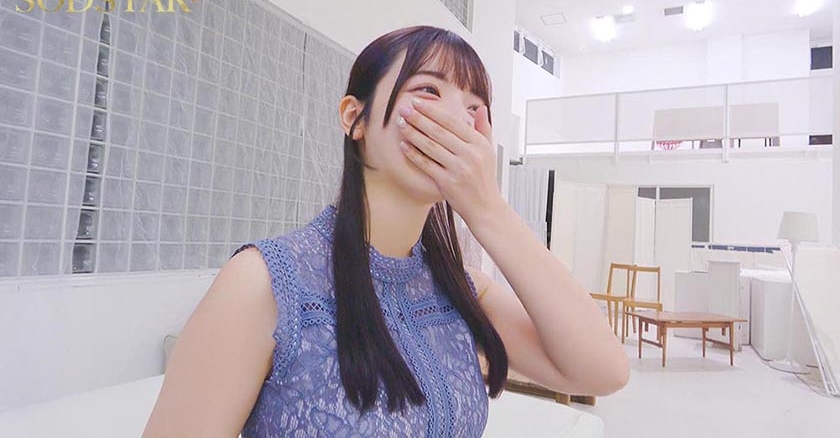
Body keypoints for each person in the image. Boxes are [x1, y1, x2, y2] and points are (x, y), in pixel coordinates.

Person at [142, 25, 629, 437]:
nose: (456, 122)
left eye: (474, 109)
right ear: (355, 118)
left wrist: (488, 211)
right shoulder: (264, 283)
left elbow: (603, 370)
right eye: (429, 91)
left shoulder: (463, 291)